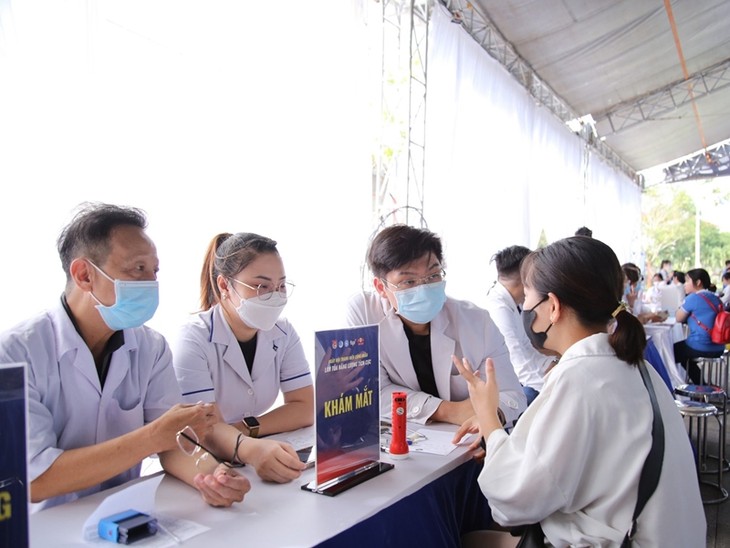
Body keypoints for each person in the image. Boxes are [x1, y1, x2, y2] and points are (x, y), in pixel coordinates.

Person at [0, 203, 298, 511]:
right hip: (43, 527)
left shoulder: (150, 347)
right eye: (137, 269)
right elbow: (35, 479)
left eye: (154, 271)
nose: (150, 282)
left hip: (126, 511)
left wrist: (211, 475)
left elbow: (176, 443)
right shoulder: (15, 354)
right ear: (84, 275)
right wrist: (154, 436)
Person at [453, 236, 705, 547]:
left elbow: (512, 502)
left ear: (553, 306)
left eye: (528, 297)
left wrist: (489, 420)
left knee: (469, 539)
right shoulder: (632, 364)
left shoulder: (580, 378)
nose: (525, 308)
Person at [345, 224, 525, 428]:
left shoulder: (476, 321)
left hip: (470, 441)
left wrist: (491, 418)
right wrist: (450, 411)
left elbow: (513, 395)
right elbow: (368, 391)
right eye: (409, 282)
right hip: (406, 436)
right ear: (381, 288)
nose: (423, 289)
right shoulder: (364, 312)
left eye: (433, 276)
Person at [172, 232, 314, 437]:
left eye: (281, 286)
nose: (274, 296)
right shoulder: (193, 339)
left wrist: (244, 430)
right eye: (261, 286)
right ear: (224, 286)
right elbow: (204, 428)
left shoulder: (283, 332)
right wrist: (247, 444)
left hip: (247, 444)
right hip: (204, 457)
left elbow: (305, 408)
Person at [485, 245, 556, 406]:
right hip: (510, 386)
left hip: (523, 377)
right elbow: (518, 363)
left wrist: (550, 365)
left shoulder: (514, 302)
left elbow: (526, 347)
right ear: (524, 277)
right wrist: (549, 389)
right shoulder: (498, 307)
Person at [674, 268, 726, 384]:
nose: (685, 285)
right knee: (685, 356)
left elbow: (678, 318)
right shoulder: (716, 298)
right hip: (719, 347)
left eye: (687, 281)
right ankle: (702, 385)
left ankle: (685, 387)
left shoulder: (693, 298)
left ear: (698, 283)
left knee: (672, 351)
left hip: (700, 346)